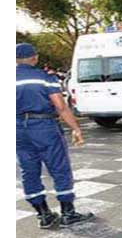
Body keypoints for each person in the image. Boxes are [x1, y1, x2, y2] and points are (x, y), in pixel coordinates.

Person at [16, 43, 94, 229]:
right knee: (59, 168)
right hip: (44, 126)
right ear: (34, 58)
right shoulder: (45, 78)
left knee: (29, 171)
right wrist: (76, 128)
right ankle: (68, 213)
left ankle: (43, 214)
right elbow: (60, 107)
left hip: (16, 129)